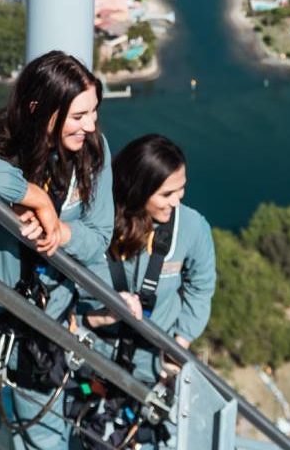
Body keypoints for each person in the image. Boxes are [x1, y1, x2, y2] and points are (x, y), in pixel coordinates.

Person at [0, 54, 113, 450]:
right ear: (40, 110)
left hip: (45, 318)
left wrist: (61, 231)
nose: (90, 126)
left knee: (42, 435)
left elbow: (99, 237)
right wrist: (32, 196)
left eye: (93, 112)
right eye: (78, 116)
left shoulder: (92, 152)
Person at [83, 134, 216, 446]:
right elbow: (69, 283)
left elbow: (201, 287)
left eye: (181, 190)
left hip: (155, 367)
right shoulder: (97, 220)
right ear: (139, 188)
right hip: (95, 357)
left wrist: (178, 346)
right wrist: (97, 318)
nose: (177, 201)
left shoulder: (192, 228)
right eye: (167, 193)